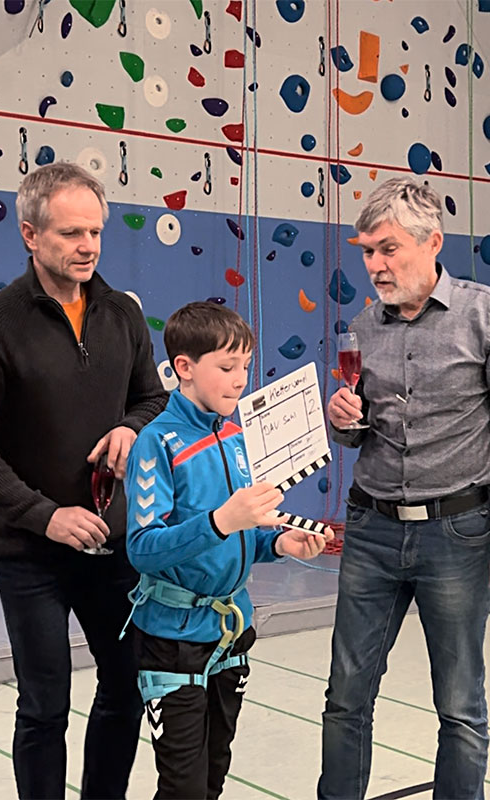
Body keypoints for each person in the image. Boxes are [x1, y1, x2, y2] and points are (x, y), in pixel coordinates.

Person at [0, 161, 167, 799]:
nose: (88, 246)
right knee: (44, 706)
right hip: (29, 555)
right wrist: (44, 516)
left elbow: (152, 398)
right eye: (71, 233)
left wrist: (132, 427)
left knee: (126, 690)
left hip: (115, 546)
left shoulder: (123, 315)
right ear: (30, 234)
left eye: (95, 232)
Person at [319, 178, 490, 800]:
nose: (375, 266)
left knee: (460, 705)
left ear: (432, 242)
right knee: (345, 696)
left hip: (458, 535)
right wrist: (344, 421)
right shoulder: (363, 325)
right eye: (367, 252)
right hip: (371, 532)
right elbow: (361, 433)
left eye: (388, 249)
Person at [123, 301, 331, 800]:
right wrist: (220, 521)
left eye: (246, 366)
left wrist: (278, 542)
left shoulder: (238, 438)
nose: (240, 381)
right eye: (226, 367)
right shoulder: (157, 443)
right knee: (184, 787)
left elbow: (244, 533)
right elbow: (143, 548)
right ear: (184, 367)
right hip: (172, 641)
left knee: (214, 773)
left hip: (230, 634)